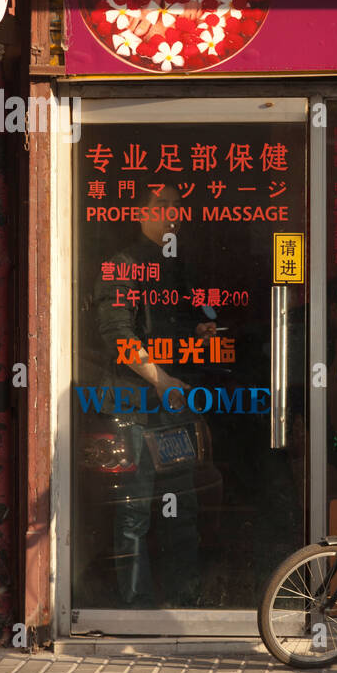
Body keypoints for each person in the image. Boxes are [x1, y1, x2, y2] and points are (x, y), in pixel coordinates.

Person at [92, 185, 216, 607]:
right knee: (134, 511)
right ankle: (136, 606)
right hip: (133, 407)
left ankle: (185, 601)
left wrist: (198, 331)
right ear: (139, 213)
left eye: (176, 207)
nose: (171, 215)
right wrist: (161, 381)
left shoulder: (175, 268)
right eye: (161, 206)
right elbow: (117, 336)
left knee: (183, 508)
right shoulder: (121, 265)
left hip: (172, 409)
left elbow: (175, 329)